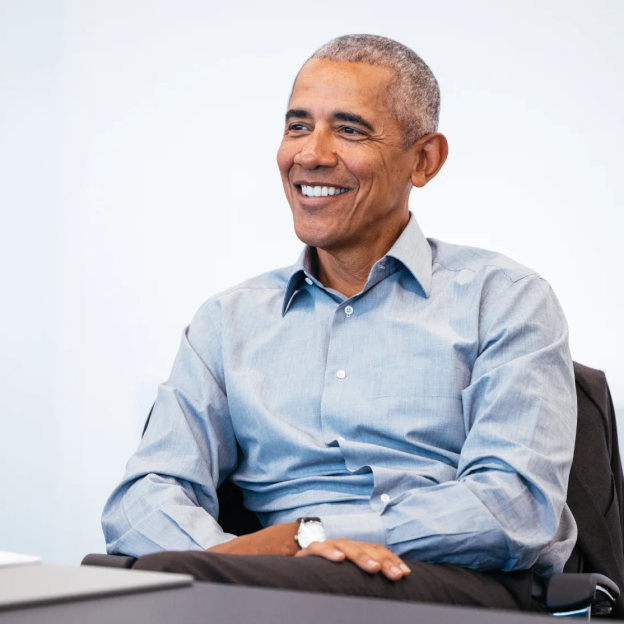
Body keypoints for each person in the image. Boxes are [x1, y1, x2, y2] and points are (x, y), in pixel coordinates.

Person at [102, 34, 577, 611]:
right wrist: (239, 555)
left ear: (424, 160)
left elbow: (514, 506)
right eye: (298, 126)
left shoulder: (505, 299)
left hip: (450, 582)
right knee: (105, 580)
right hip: (276, 586)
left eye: (349, 130)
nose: (311, 154)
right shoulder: (228, 321)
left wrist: (315, 536)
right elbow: (141, 497)